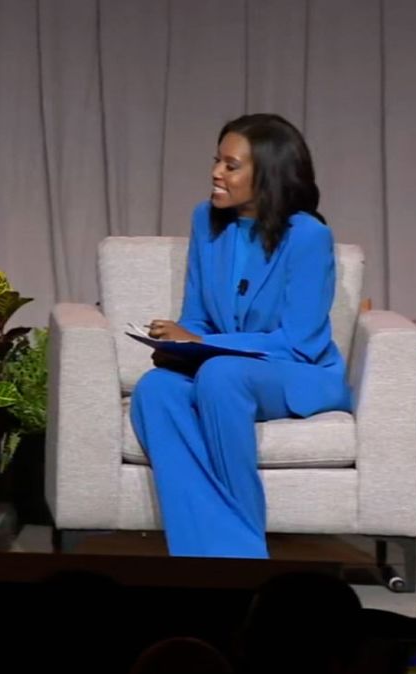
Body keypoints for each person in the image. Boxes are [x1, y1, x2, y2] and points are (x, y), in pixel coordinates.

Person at [129, 113, 351, 559]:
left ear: (266, 174)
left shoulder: (308, 236)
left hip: (297, 372)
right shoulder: (206, 221)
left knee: (222, 376)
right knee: (156, 389)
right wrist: (180, 345)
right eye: (217, 161)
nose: (215, 173)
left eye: (230, 166)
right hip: (222, 365)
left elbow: (298, 342)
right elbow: (198, 320)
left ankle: (243, 562)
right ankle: (206, 555)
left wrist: (204, 348)